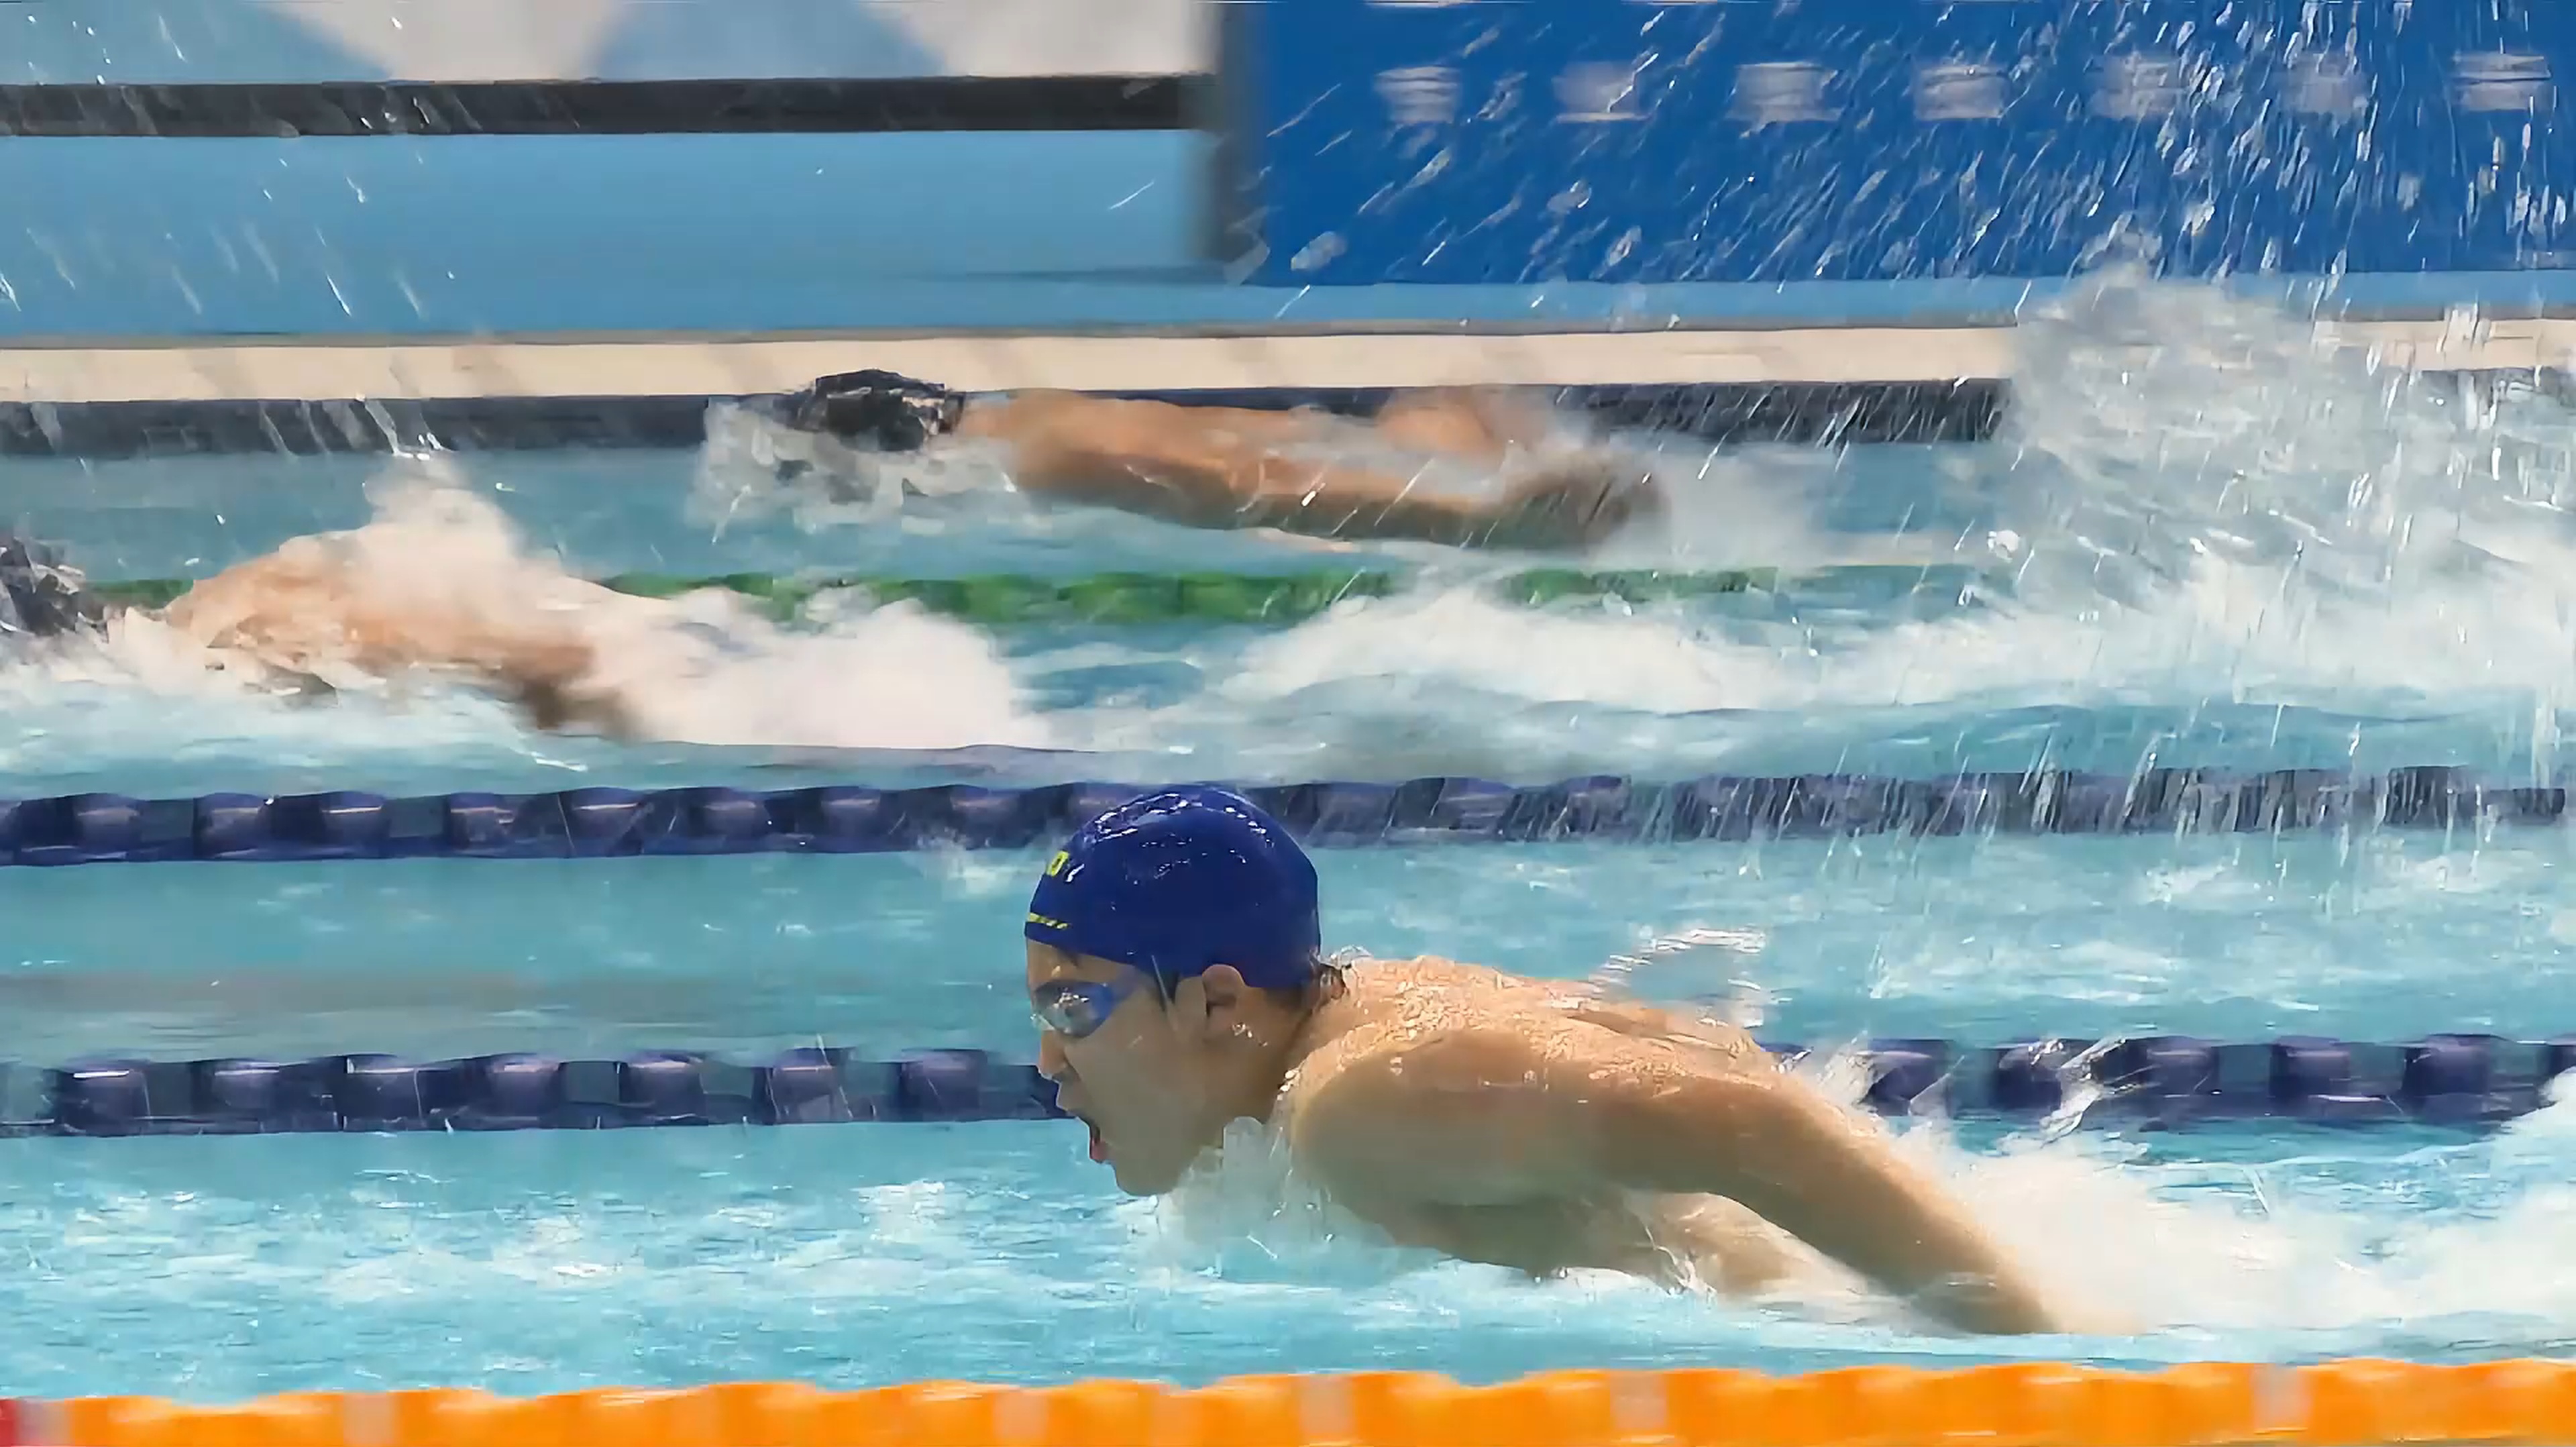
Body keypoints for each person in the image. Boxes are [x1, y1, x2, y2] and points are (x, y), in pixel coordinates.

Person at [1023, 785, 2075, 1335]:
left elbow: (1745, 1120)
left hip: (1826, 1330)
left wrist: (2030, 1345)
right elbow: (1701, 1057)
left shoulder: (1357, 1104)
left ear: (1217, 1002)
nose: (1048, 1060)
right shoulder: (1354, 1020)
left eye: (1073, 1007)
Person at [759, 369, 1666, 553]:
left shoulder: (1044, 453)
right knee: (1439, 411)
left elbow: (1246, 489)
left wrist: (1479, 524)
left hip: (1333, 513)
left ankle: (1519, 522)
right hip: (1351, 448)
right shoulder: (1026, 411)